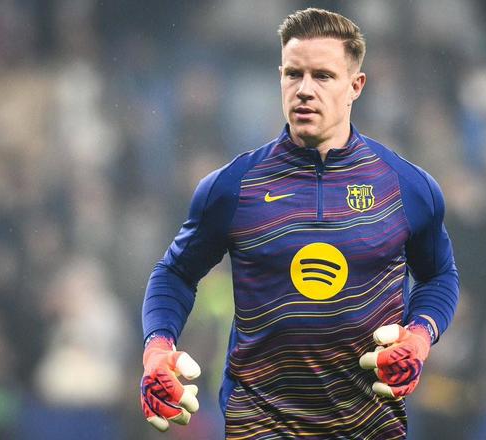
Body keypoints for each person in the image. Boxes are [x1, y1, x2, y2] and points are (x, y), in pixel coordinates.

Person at [140, 8, 459, 439]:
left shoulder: (406, 187)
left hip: (368, 426)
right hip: (260, 426)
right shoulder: (233, 187)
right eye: (294, 74)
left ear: (355, 86)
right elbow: (175, 273)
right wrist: (158, 348)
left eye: (323, 76)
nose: (305, 89)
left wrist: (419, 336)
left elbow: (439, 275)